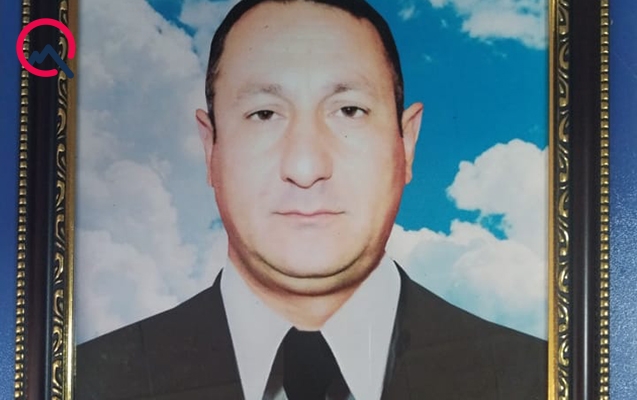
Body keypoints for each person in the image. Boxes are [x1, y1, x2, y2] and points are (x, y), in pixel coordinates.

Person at [75, 0, 547, 399]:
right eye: (264, 113)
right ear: (210, 148)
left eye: (349, 110)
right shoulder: (84, 383)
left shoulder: (540, 381)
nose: (305, 167)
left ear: (406, 144)